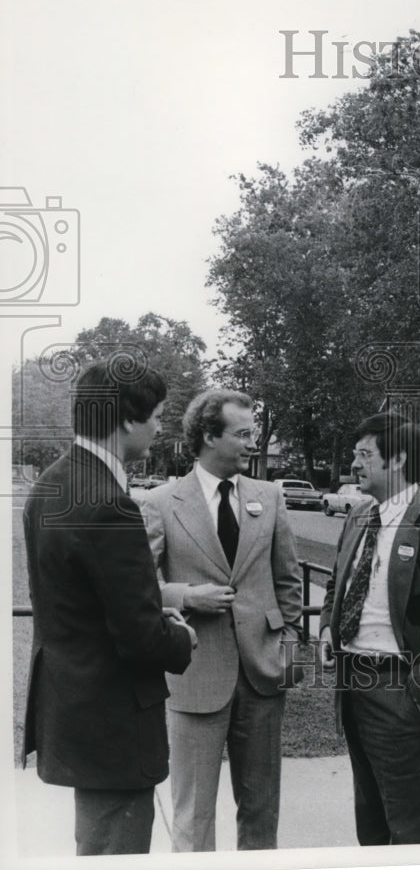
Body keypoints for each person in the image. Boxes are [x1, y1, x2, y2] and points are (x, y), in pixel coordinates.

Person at [22, 360, 197, 857]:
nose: (160, 428)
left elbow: (77, 602)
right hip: (114, 721)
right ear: (126, 420)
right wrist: (180, 635)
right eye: (158, 416)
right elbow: (141, 638)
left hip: (75, 711)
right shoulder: (109, 503)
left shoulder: (51, 486)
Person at [141, 389, 303, 852]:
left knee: (261, 809)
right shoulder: (160, 502)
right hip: (193, 677)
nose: (255, 442)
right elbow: (137, 589)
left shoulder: (270, 496)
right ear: (209, 436)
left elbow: (288, 580)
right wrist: (186, 595)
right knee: (193, 815)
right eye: (244, 433)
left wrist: (288, 646)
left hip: (263, 675)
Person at [319, 412, 420, 846]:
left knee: (414, 826)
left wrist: (419, 700)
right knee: (370, 818)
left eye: (364, 454)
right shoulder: (358, 516)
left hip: (400, 692)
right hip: (352, 683)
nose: (354, 464)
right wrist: (325, 630)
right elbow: (339, 580)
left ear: (398, 460)